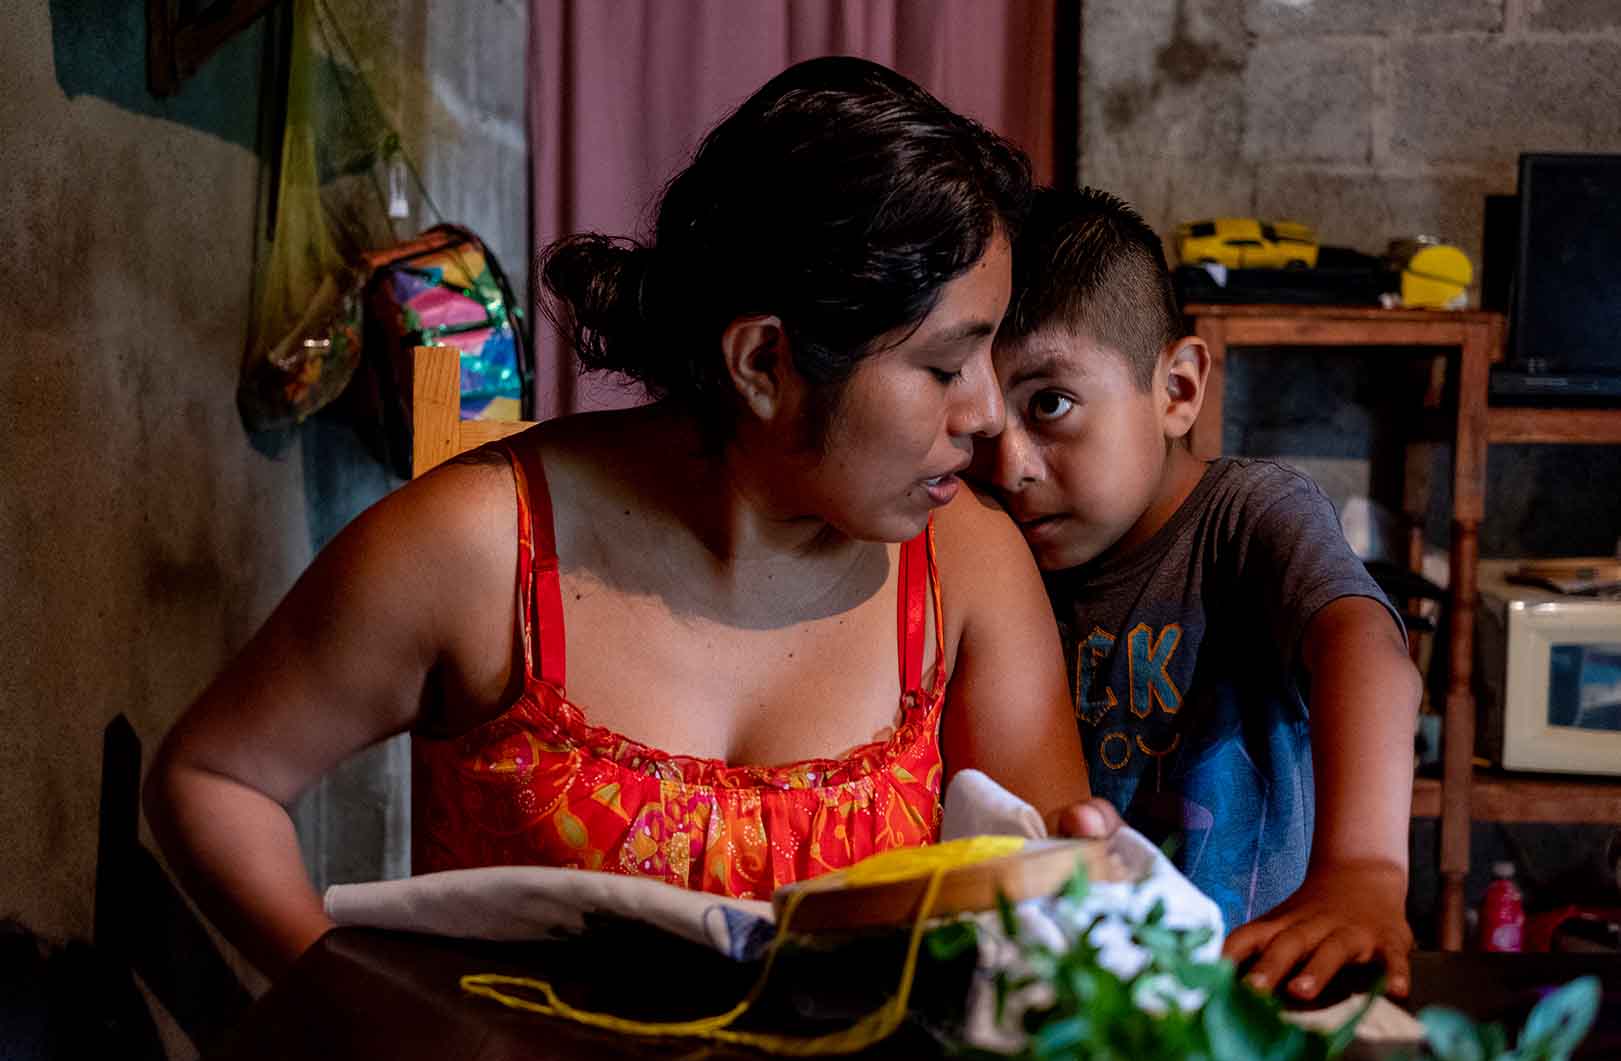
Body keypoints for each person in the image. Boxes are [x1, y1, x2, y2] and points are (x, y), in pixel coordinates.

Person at [145, 58, 1120, 980]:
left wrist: (1084, 896)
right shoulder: (484, 550)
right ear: (763, 365)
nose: (987, 415)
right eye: (946, 366)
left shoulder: (964, 566)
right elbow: (213, 780)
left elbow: (1037, 906)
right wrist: (366, 1022)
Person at [973, 187, 1422, 1001]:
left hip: (1260, 981)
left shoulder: (1247, 515)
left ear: (1178, 390)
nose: (1009, 466)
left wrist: (1361, 869)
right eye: (977, 422)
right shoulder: (978, 542)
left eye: (1050, 404)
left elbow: (1366, 648)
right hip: (1070, 994)